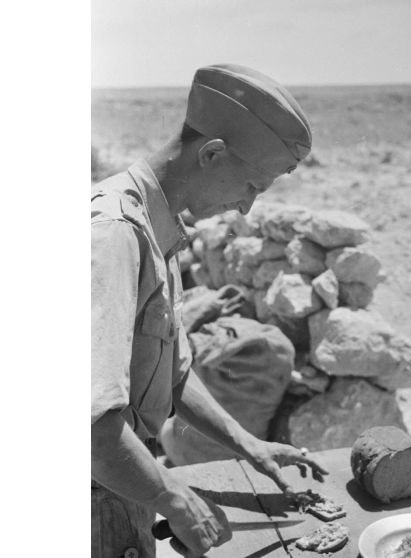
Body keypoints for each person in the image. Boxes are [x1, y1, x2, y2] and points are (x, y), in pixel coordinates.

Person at [91, 64, 328, 558]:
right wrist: (173, 498)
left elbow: (173, 373)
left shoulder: (158, 226)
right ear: (213, 154)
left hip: (122, 483)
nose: (246, 209)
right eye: (251, 187)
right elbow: (90, 424)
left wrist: (248, 444)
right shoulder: (113, 233)